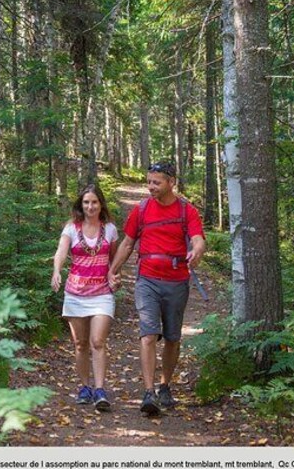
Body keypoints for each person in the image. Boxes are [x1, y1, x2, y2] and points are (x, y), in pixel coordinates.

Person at [106, 162, 206, 415]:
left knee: (172, 338)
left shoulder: (187, 211)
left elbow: (198, 239)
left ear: (171, 181)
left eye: (156, 182)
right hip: (147, 280)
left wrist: (197, 251)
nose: (151, 187)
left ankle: (165, 386)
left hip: (177, 281)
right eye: (149, 181)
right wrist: (113, 270)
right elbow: (128, 243)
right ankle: (148, 392)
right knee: (148, 334)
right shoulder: (141, 210)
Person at [51, 183, 121, 412]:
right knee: (80, 344)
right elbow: (61, 251)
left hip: (102, 293)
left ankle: (100, 390)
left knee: (98, 342)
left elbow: (115, 259)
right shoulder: (71, 227)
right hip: (75, 293)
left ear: (101, 204)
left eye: (94, 202)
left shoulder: (109, 229)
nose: (90, 206)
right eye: (86, 202)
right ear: (81, 205)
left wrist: (114, 275)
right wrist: (56, 271)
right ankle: (85, 387)